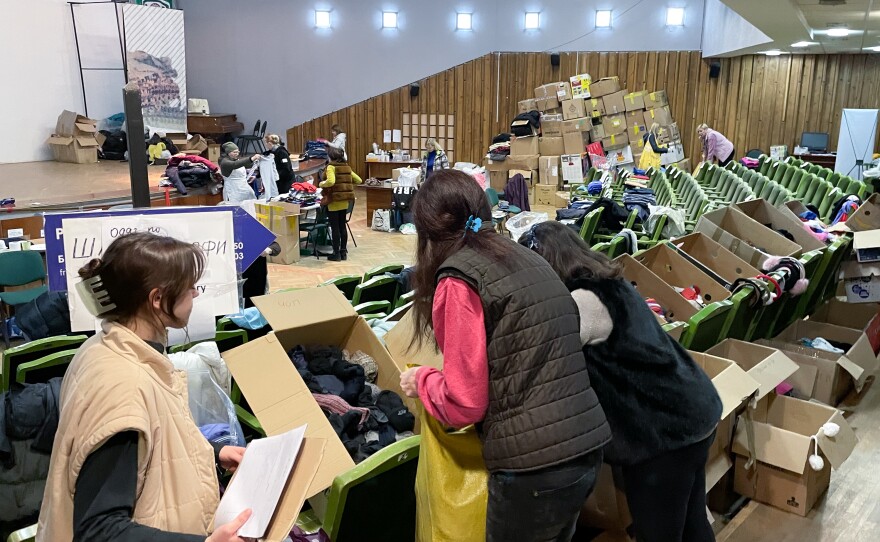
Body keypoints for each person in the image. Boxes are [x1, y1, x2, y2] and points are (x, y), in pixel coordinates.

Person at [398, 170, 611, 541]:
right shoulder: (526, 257)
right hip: (585, 448)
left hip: (534, 468)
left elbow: (465, 404)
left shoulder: (459, 278)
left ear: (427, 230)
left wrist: (423, 380)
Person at [38, 233, 252, 542]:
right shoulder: (124, 385)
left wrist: (213, 453)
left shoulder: (108, 347)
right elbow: (99, 531)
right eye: (189, 286)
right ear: (157, 299)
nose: (195, 292)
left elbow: (151, 447)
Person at [519, 220, 723, 542]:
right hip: (693, 410)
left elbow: (544, 356)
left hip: (664, 434)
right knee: (692, 521)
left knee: (659, 533)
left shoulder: (581, 302)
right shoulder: (609, 281)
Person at [319, 146, 362, 261]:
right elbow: (359, 180)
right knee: (342, 226)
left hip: (334, 200)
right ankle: (343, 252)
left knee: (335, 228)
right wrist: (346, 186)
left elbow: (331, 181)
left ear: (330, 157)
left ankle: (336, 254)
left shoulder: (331, 167)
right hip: (344, 201)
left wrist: (321, 184)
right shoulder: (346, 167)